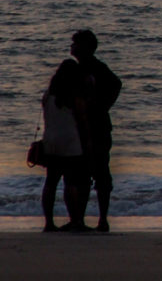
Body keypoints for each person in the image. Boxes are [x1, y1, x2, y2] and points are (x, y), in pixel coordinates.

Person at [70, 29, 122, 233]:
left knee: (99, 174)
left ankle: (101, 220)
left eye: (75, 43)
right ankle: (81, 220)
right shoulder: (79, 67)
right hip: (83, 127)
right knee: (84, 174)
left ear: (84, 47)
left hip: (97, 128)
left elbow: (117, 84)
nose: (72, 46)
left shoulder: (94, 67)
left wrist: (102, 106)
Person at [41, 59, 90, 232]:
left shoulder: (48, 95)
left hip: (50, 140)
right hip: (69, 141)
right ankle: (75, 220)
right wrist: (86, 142)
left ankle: (48, 222)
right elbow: (82, 120)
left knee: (50, 182)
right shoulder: (73, 96)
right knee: (70, 182)